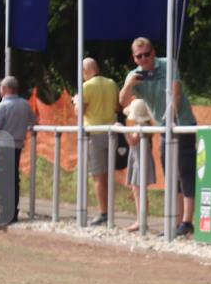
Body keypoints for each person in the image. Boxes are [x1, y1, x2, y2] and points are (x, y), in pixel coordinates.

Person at [119, 37, 198, 237]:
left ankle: (187, 221)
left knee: (185, 171)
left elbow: (176, 94)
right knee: (172, 175)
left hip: (181, 124)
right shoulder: (134, 75)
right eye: (140, 56)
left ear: (154, 52)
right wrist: (129, 84)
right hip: (164, 128)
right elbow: (122, 101)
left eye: (147, 54)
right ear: (134, 58)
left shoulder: (167, 64)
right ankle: (178, 222)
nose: (144, 58)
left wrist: (170, 121)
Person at [78, 58, 120, 226]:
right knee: (109, 174)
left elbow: (81, 110)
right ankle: (109, 209)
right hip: (112, 132)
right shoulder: (112, 83)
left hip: (94, 133)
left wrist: (76, 101)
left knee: (98, 175)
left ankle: (104, 212)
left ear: (86, 71)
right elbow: (117, 106)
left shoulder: (86, 87)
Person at [0, 76, 36, 225]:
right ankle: (13, 213)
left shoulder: (2, 106)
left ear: (4, 89)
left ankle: (4, 214)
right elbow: (33, 122)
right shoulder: (25, 104)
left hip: (2, 146)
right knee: (13, 179)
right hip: (16, 146)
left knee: (0, 181)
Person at [123, 99, 157, 233]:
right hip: (139, 159)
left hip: (139, 161)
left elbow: (132, 141)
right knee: (139, 191)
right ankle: (142, 219)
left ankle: (140, 220)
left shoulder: (140, 127)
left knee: (138, 191)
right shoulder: (146, 126)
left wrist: (123, 130)